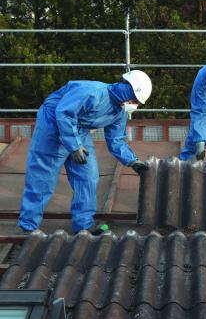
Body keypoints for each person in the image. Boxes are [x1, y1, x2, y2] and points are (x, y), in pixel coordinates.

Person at [18, 70, 152, 235]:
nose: (134, 104)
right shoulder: (92, 92)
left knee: (88, 177)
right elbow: (64, 113)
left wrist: (133, 161)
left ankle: (83, 225)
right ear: (127, 88)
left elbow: (116, 140)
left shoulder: (119, 112)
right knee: (43, 175)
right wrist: (74, 146)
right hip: (52, 123)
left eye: (137, 102)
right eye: (134, 99)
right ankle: (28, 226)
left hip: (78, 129)